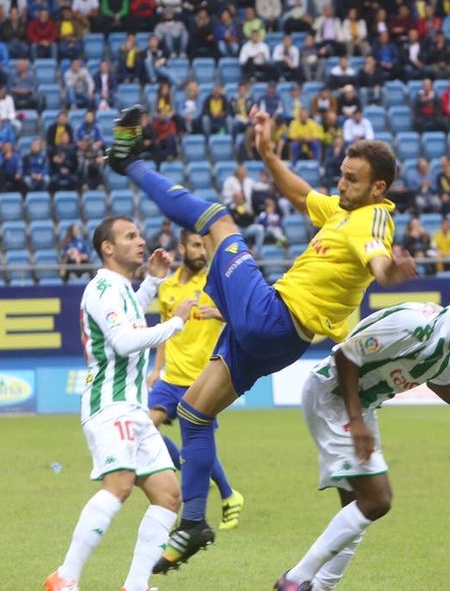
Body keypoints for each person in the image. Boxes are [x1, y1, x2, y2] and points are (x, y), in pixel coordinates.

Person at [105, 104, 417, 572]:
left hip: (273, 316)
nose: (341, 184)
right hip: (279, 339)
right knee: (193, 412)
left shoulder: (373, 219)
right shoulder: (344, 211)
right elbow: (302, 195)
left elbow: (379, 260)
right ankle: (194, 522)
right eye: (341, 174)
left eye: (352, 180)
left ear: (378, 188)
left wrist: (390, 272)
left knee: (216, 219)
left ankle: (128, 162)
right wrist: (269, 154)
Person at [274, 291, 450, 591]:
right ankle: (295, 580)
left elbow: (443, 383)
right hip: (332, 396)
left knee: (359, 509)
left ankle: (319, 587)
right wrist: (356, 422)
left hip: (361, 406)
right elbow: (346, 355)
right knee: (377, 500)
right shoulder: (413, 325)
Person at [44, 218, 198, 591]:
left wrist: (153, 282)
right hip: (109, 404)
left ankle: (136, 586)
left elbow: (131, 316)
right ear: (108, 248)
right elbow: (125, 341)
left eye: (140, 235)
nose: (141, 241)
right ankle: (64, 577)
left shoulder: (121, 289)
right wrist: (175, 324)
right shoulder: (102, 288)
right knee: (119, 484)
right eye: (130, 236)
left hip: (133, 407)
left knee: (168, 495)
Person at [146, 229, 246, 532]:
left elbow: (244, 317)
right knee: (145, 429)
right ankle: (191, 465)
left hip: (202, 380)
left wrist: (217, 313)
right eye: (196, 246)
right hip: (171, 377)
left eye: (205, 247)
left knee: (198, 446)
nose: (203, 252)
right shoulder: (167, 287)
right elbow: (165, 330)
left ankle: (229, 495)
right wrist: (156, 369)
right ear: (182, 248)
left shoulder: (215, 284)